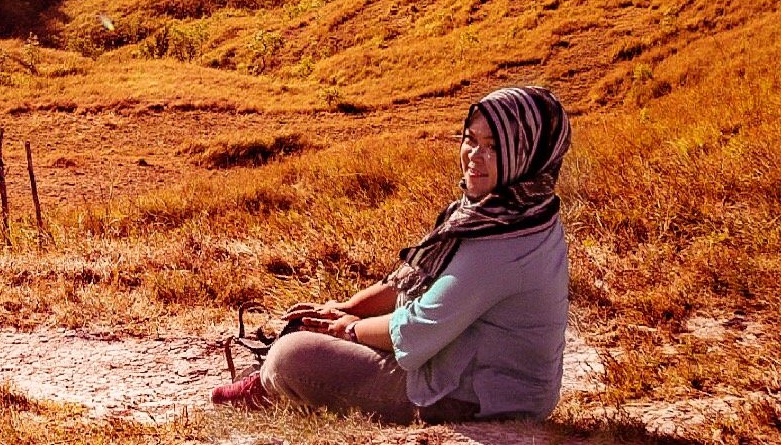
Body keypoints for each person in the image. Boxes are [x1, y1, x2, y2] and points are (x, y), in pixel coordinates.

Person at [211, 84, 571, 422]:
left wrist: (348, 330)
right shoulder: (517, 211)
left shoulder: (501, 247)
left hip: (480, 395)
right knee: (320, 333)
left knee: (292, 356)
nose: (475, 156)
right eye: (470, 139)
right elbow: (419, 281)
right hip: (479, 370)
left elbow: (414, 333)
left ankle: (273, 384)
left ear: (525, 153)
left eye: (494, 146)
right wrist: (347, 308)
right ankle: (284, 377)